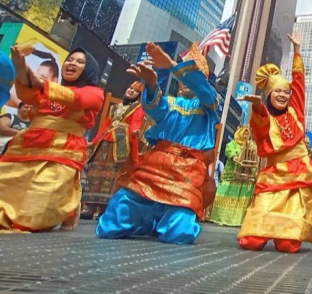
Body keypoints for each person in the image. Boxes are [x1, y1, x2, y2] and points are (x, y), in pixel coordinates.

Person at [97, 43, 219, 245]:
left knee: (179, 234)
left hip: (187, 172)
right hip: (155, 165)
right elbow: (155, 109)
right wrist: (152, 84)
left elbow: (205, 92)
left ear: (201, 80)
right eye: (182, 76)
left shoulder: (209, 105)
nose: (185, 81)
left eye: (192, 73)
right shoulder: (171, 102)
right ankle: (149, 220)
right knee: (110, 226)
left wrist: (172, 65)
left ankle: (160, 220)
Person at [0, 47, 104, 232]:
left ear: (89, 70)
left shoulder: (95, 93)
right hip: (29, 144)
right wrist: (20, 66)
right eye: (70, 59)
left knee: (36, 208)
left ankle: (64, 209)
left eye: (80, 62)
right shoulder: (49, 89)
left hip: (62, 150)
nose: (72, 63)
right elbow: (28, 94)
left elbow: (75, 98)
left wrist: (35, 78)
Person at [237, 33, 312, 253]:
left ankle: (285, 233)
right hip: (273, 174)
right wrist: (256, 108)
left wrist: (297, 51)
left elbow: (300, 83)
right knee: (251, 242)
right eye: (278, 92)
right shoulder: (265, 116)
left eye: (286, 92)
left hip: (299, 173)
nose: (283, 95)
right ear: (269, 94)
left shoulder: (296, 112)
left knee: (288, 244)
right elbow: (261, 124)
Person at [81, 82, 146, 220]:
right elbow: (105, 126)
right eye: (130, 88)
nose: (131, 91)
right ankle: (90, 208)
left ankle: (105, 209)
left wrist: (135, 131)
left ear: (139, 96)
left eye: (135, 91)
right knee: (95, 174)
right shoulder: (114, 108)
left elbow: (136, 123)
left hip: (121, 144)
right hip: (105, 142)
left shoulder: (138, 108)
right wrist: (94, 141)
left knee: (112, 175)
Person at [209, 127, 257, 226]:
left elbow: (256, 154)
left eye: (247, 135)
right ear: (239, 134)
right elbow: (230, 152)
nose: (245, 136)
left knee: (244, 198)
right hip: (232, 175)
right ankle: (223, 219)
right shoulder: (232, 144)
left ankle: (239, 221)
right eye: (244, 134)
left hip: (247, 176)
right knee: (227, 196)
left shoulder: (252, 145)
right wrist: (236, 158)